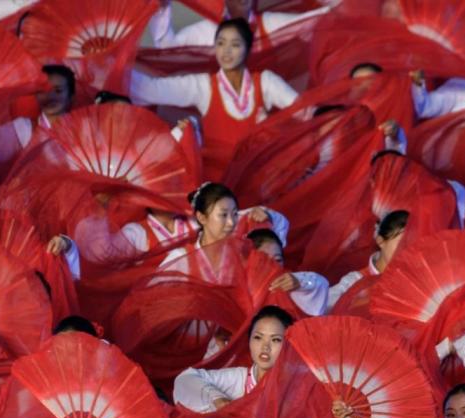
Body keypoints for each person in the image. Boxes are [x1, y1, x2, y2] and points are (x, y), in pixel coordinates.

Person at [131, 19, 299, 180]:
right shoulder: (204, 86)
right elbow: (151, 89)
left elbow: (304, 108)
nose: (226, 51)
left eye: (234, 45)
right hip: (219, 188)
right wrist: (114, 64)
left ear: (248, 48)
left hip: (256, 179)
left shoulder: (265, 82)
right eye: (220, 43)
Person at [174, 305, 292, 413]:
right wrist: (217, 398)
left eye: (275, 339)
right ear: (249, 340)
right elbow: (185, 379)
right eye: (258, 337)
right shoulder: (239, 378)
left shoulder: (300, 382)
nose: (265, 347)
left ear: (289, 343)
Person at [160, 182, 288, 276]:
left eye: (234, 214)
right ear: (202, 217)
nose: (231, 222)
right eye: (223, 215)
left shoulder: (242, 252)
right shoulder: (182, 258)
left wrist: (268, 216)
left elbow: (281, 225)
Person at [147, 0, 332, 49]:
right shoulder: (205, 31)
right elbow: (166, 49)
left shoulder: (268, 23)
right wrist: (161, 9)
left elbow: (313, 21)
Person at [326, 209, 407, 311]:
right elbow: (323, 309)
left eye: (412, 244)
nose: (407, 249)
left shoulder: (415, 281)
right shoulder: (355, 281)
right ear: (381, 241)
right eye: (401, 243)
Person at [247, 228, 329, 316]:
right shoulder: (237, 284)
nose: (273, 266)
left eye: (278, 259)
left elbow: (320, 284)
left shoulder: (287, 284)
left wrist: (300, 282)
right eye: (264, 260)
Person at [12, 64, 75, 147]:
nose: (50, 96)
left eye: (58, 91)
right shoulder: (22, 127)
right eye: (43, 90)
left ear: (70, 96)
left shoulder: (84, 129)